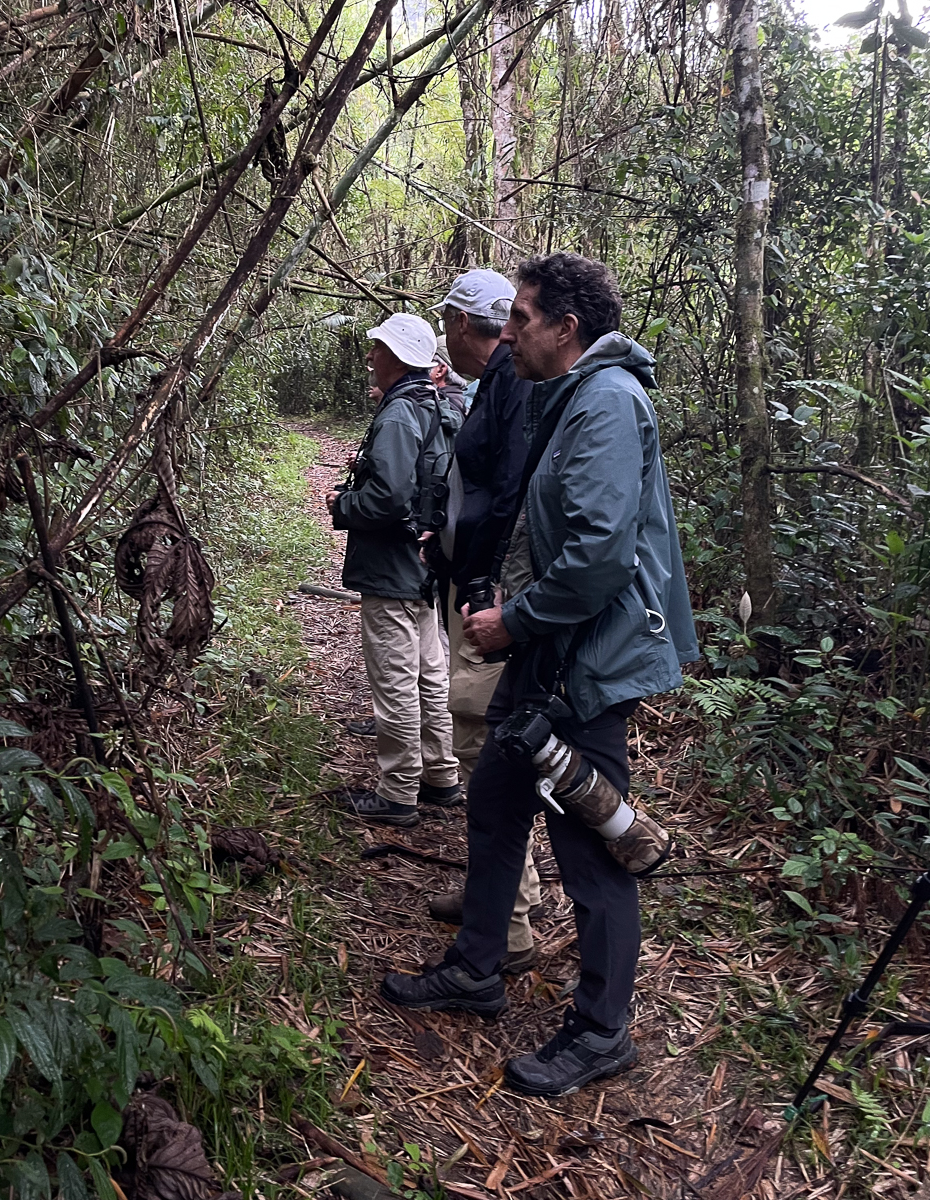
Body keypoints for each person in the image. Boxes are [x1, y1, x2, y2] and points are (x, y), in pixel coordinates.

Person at [380, 253, 698, 1100]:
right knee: (494, 800)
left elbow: (598, 556)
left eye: (520, 318)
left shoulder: (606, 403)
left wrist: (513, 620)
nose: (506, 331)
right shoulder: (567, 395)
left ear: (567, 328)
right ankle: (478, 967)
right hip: (549, 655)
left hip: (585, 665)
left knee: (590, 844)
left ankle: (602, 1031)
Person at [424, 268, 543, 975]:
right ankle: (494, 894)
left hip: (489, 596)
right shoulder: (497, 382)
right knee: (480, 743)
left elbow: (510, 497)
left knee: (479, 743)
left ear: (464, 324)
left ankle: (511, 921)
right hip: (478, 584)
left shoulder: (514, 382)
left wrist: (478, 580)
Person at [328, 313, 462, 827]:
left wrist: (343, 505)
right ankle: (441, 776)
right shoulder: (434, 404)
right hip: (425, 566)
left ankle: (398, 793)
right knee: (430, 674)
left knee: (396, 681)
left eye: (378, 349)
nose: (370, 357)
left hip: (392, 569)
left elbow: (387, 498)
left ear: (399, 358)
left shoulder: (400, 414)